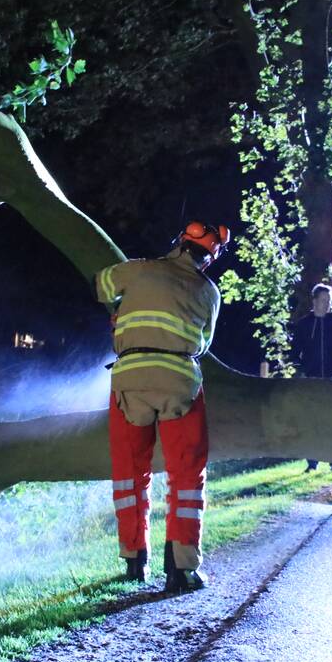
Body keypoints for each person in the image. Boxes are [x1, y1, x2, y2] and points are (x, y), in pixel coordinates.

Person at [94, 221, 228, 593]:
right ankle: (181, 568)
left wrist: (123, 307)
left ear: (179, 242)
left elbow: (101, 285)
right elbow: (202, 344)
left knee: (130, 473)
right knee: (186, 477)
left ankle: (133, 561)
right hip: (179, 383)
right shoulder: (209, 291)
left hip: (129, 380)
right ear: (210, 258)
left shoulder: (138, 269)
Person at [290, 283, 332, 472]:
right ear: (315, 300)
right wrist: (302, 368)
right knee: (312, 421)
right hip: (312, 379)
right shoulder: (304, 324)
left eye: (329, 301)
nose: (327, 304)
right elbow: (294, 352)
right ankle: (312, 464)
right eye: (324, 300)